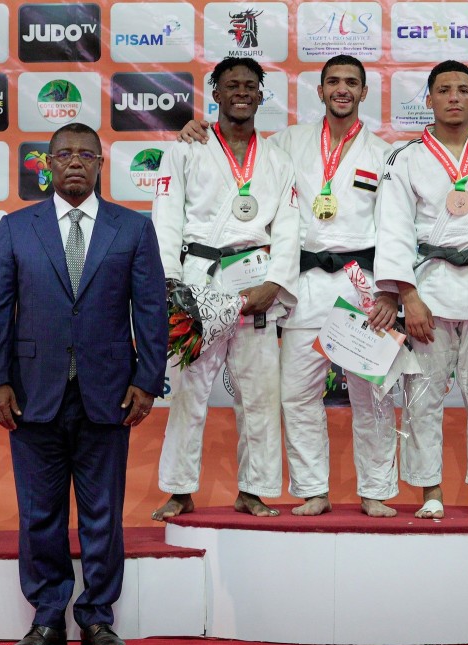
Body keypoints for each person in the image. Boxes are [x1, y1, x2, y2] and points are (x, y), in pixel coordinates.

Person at [175, 55, 399, 517]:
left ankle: (375, 489)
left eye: (351, 82)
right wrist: (196, 130)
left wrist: (390, 291)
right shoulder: (287, 144)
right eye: (333, 81)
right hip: (304, 284)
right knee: (297, 393)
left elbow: (396, 228)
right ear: (320, 91)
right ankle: (313, 488)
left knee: (372, 395)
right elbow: (241, 152)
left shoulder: (384, 154)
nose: (342, 89)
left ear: (364, 92)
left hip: (361, 284)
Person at [0, 123, 168, 645]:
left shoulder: (133, 229)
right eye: (64, 154)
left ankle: (97, 616)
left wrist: (146, 381)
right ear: (49, 164)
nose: (76, 162)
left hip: (109, 394)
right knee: (39, 513)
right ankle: (47, 618)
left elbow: (150, 310)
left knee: (102, 513)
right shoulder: (16, 228)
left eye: (87, 154)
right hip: (31, 394)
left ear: (101, 164)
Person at [151, 57, 300, 520]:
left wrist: (275, 282)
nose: (241, 92)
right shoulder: (186, 149)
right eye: (231, 85)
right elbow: (166, 217)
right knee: (188, 391)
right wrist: (170, 283)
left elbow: (289, 227)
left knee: (259, 392)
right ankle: (179, 489)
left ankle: (254, 489)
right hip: (198, 280)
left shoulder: (277, 159)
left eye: (250, 86)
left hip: (255, 280)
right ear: (215, 93)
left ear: (260, 95)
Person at [375, 60, 468, 519]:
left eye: (461, 89)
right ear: (430, 99)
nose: (453, 97)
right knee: (423, 399)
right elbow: (393, 229)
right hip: (430, 291)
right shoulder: (406, 157)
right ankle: (430, 491)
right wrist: (408, 296)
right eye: (443, 90)